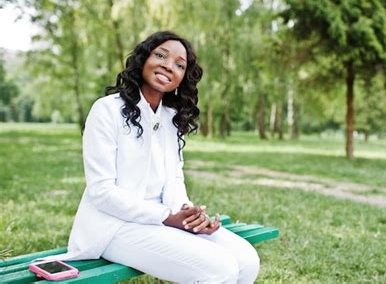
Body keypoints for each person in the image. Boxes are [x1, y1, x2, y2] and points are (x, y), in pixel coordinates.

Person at [51, 31, 260, 283]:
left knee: (247, 260)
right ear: (143, 60)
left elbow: (173, 179)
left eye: (179, 65)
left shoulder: (170, 118)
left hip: (162, 220)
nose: (168, 66)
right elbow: (102, 192)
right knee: (220, 268)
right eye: (160, 55)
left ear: (183, 78)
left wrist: (189, 216)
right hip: (114, 227)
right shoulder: (107, 110)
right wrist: (165, 216)